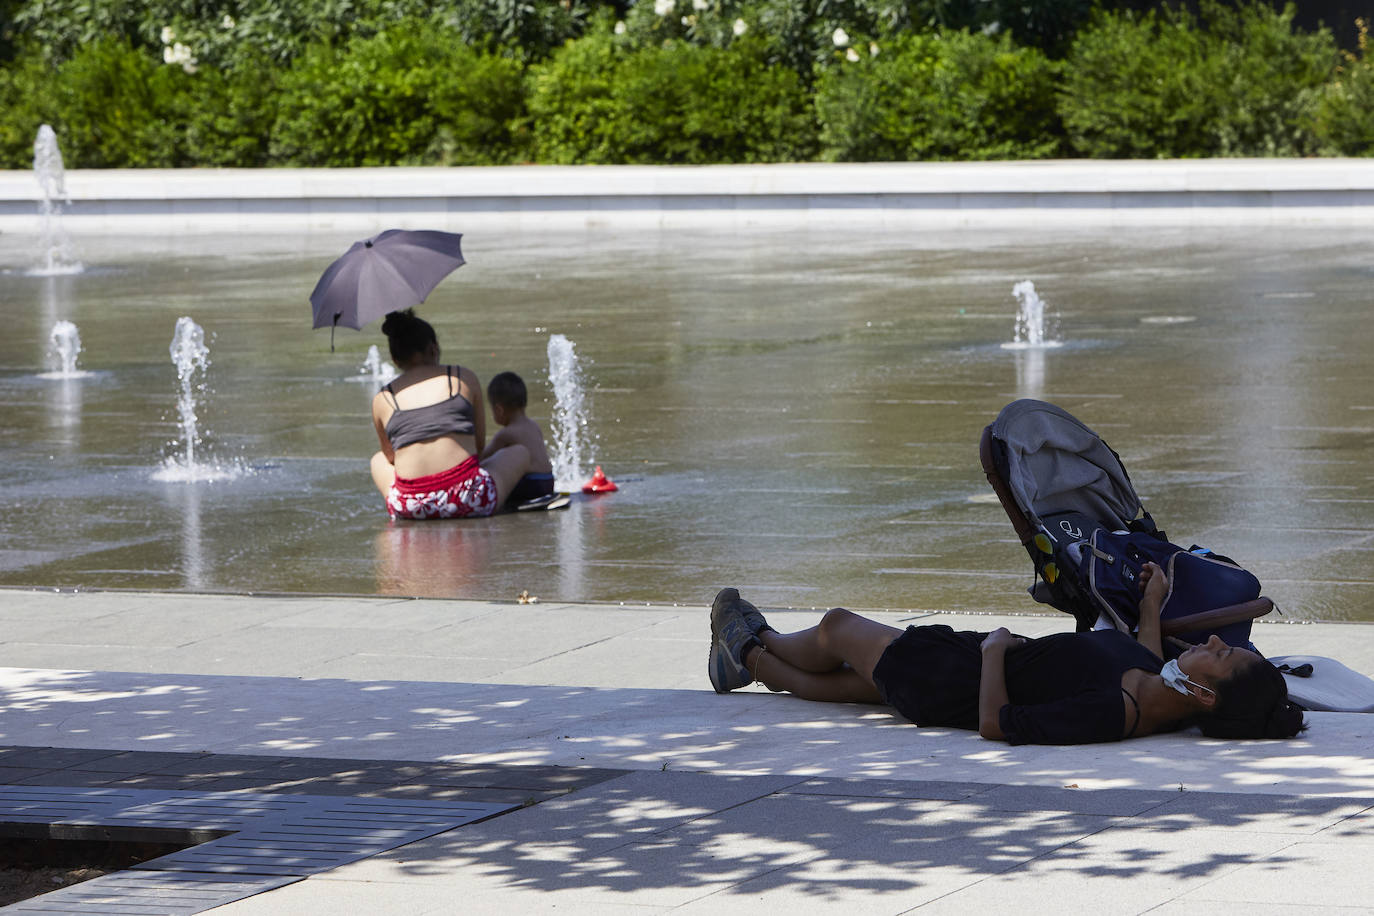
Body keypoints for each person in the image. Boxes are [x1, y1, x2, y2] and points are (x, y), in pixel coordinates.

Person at [708, 562, 1306, 745]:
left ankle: (755, 642)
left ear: (1205, 694)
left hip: (949, 675)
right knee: (852, 688)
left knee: (837, 631)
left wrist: (994, 651)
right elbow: (1143, 656)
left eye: (1222, 657)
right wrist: (1152, 605)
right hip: (952, 677)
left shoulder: (1116, 710)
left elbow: (998, 725)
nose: (1216, 642)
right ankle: (750, 661)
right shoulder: (1162, 689)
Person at [369, 309, 530, 519]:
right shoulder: (462, 378)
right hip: (468, 499)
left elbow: (391, 458)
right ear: (433, 349)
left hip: (411, 506)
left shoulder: (383, 397)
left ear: (394, 358)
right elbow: (479, 447)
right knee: (519, 452)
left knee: (377, 459)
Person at [481, 371, 556, 507]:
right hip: (548, 481)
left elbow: (483, 458)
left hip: (530, 484)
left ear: (499, 410)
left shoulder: (506, 434)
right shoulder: (534, 425)